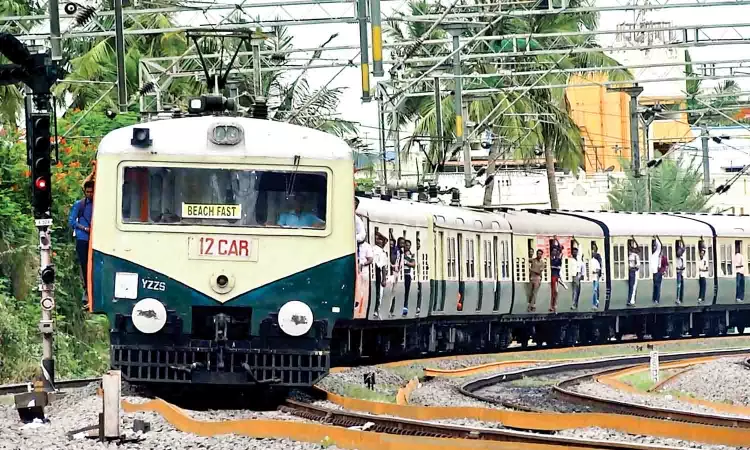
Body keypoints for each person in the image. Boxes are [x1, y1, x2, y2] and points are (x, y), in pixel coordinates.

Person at [69, 180, 94, 306]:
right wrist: (84, 229)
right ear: (85, 192)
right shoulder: (80, 204)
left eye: (91, 192)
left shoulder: (98, 205)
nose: (89, 194)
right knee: (84, 265)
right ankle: (86, 291)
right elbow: (72, 221)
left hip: (94, 240)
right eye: (87, 192)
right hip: (83, 238)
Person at [372, 234, 389, 319]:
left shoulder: (382, 252)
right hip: (375, 270)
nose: (379, 241)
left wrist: (384, 279)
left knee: (379, 292)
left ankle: (377, 310)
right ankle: (376, 310)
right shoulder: (374, 249)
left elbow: (383, 267)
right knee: (378, 292)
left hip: (378, 271)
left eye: (381, 240)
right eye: (378, 239)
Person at [401, 240, 415, 316]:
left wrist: (406, 262)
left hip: (407, 275)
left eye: (408, 245)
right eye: (405, 245)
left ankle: (405, 308)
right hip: (401, 275)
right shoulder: (401, 253)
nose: (407, 246)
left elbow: (413, 264)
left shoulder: (411, 254)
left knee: (407, 292)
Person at [650, 236, 663, 304]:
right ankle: (654, 299)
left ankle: (656, 299)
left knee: (657, 286)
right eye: (653, 246)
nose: (653, 247)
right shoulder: (651, 254)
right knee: (655, 286)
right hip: (654, 273)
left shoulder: (656, 253)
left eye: (654, 246)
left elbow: (660, 246)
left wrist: (656, 238)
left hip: (657, 273)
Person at [627, 238, 640, 306]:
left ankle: (630, 300)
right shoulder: (635, 256)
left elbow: (637, 266)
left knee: (631, 287)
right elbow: (637, 266)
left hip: (631, 272)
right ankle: (631, 301)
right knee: (632, 287)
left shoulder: (631, 256)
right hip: (633, 272)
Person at [550, 246, 562, 312]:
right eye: (554, 251)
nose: (555, 252)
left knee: (556, 291)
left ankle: (554, 305)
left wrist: (554, 267)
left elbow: (558, 268)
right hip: (553, 276)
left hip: (557, 276)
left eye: (556, 251)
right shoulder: (552, 259)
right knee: (554, 292)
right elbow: (553, 267)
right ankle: (553, 306)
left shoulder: (559, 260)